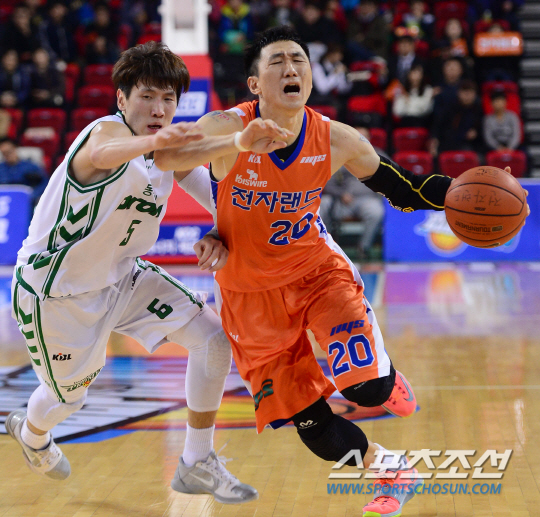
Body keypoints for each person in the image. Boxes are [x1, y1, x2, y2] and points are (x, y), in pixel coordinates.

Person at [154, 26, 462, 517]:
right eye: (276, 61)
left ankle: (385, 378)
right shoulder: (226, 125)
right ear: (255, 84)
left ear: (311, 78)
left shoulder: (336, 138)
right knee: (315, 429)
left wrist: (460, 194)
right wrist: (235, 148)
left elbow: (403, 188)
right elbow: (167, 156)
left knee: (366, 389)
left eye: (298, 59)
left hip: (316, 274)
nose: (290, 68)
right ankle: (393, 469)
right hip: (248, 295)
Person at [5, 41, 289, 504]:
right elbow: (104, 154)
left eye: (168, 99)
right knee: (68, 399)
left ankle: (196, 460)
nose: (158, 109)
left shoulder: (166, 154)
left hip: (123, 279)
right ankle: (32, 434)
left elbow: (220, 203)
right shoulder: (105, 132)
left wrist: (221, 229)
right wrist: (160, 143)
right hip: (55, 294)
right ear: (121, 99)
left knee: (213, 340)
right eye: (147, 96)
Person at [430, 79, 484, 156]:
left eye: (470, 93)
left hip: (472, 145)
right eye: (464, 93)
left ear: (475, 94)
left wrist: (476, 132)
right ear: (458, 93)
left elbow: (483, 131)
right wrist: (435, 139)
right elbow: (438, 125)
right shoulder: (450, 108)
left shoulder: (479, 109)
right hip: (449, 143)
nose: (467, 96)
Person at [0, 137, 49, 206]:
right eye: (5, 153)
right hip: (4, 202)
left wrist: (33, 195)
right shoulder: (1, 168)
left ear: (15, 149)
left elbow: (44, 182)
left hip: (27, 202)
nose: (8, 155)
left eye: (9, 152)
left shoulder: (30, 166)